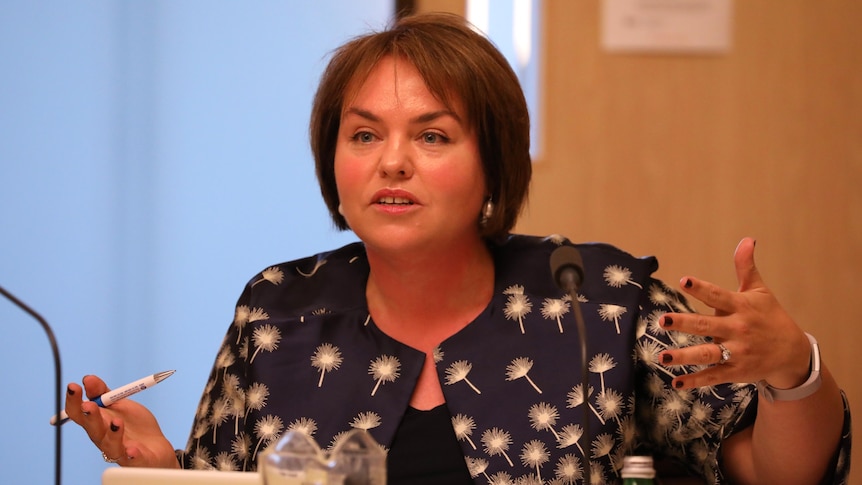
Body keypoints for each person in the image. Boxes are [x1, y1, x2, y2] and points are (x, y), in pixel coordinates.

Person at [65, 12, 850, 485]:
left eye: (432, 135)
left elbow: (778, 473)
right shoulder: (278, 310)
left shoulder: (601, 299)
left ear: (493, 170)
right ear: (332, 164)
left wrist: (794, 371)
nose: (391, 161)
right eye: (363, 134)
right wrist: (157, 467)